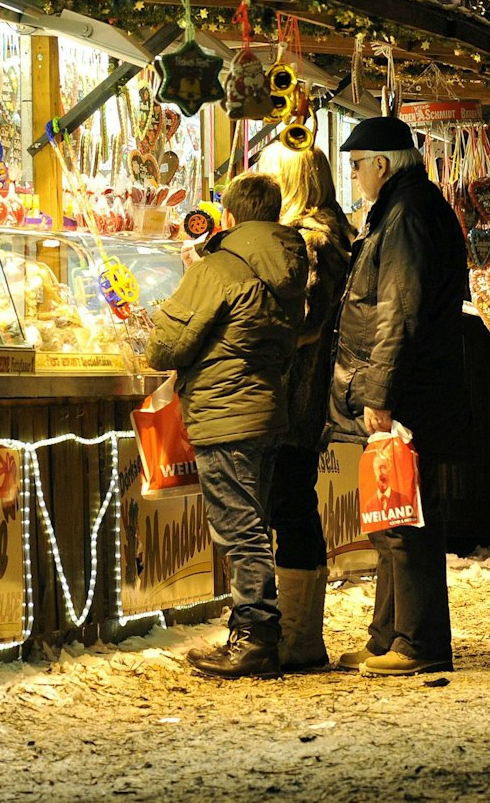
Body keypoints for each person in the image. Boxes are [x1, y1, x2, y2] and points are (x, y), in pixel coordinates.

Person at [146, 172, 308, 679]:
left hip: (225, 411)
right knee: (253, 523)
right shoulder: (290, 263)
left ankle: (256, 639)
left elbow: (165, 346)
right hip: (266, 409)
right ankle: (254, 631)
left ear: (231, 216)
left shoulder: (219, 267)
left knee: (241, 530)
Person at [329, 116, 469, 677]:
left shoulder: (407, 213)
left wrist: (380, 392)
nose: (355, 176)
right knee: (390, 519)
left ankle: (419, 642)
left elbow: (399, 312)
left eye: (357, 166)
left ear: (381, 165)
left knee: (405, 521)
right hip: (411, 386)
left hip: (409, 392)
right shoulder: (403, 208)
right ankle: (387, 635)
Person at [251, 142, 354, 672]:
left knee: (289, 505)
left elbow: (305, 321)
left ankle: (297, 638)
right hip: (299, 396)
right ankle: (297, 635)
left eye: (270, 175)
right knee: (292, 505)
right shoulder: (325, 235)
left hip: (294, 396)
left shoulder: (310, 241)